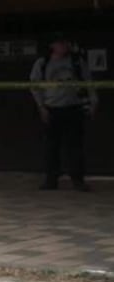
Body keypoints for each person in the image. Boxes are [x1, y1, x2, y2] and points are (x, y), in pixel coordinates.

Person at [30, 33, 97, 191]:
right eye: (61, 42)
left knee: (75, 146)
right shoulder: (43, 63)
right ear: (52, 45)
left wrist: (93, 102)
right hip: (52, 109)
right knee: (51, 146)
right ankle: (51, 179)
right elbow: (34, 86)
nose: (64, 45)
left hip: (74, 108)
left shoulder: (77, 61)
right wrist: (41, 106)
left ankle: (78, 180)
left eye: (66, 42)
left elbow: (89, 82)